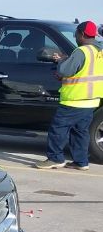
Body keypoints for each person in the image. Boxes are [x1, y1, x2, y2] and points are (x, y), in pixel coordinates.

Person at [35, 20, 103, 170]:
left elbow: (65, 71)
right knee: (80, 131)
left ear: (82, 34)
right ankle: (81, 161)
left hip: (75, 99)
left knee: (58, 128)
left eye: (76, 34)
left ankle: (55, 158)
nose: (75, 37)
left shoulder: (81, 51)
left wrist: (61, 64)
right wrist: (67, 60)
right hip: (91, 99)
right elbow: (85, 71)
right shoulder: (99, 51)